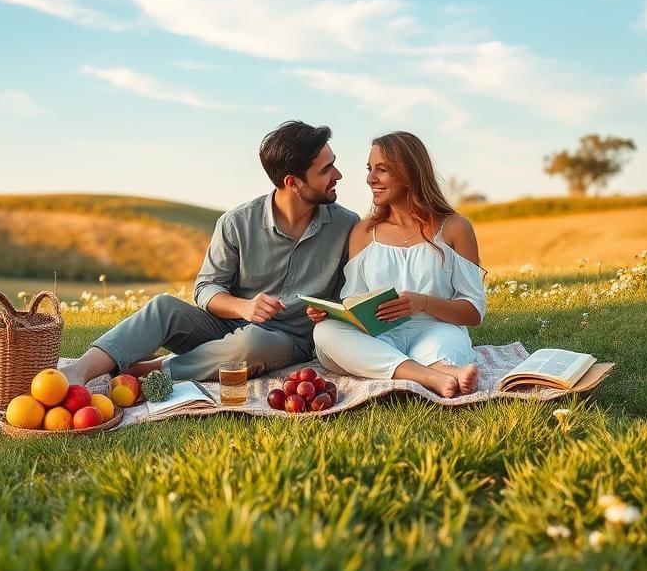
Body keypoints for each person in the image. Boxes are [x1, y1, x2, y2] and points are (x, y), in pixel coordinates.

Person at [61, 121, 359, 386]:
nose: (338, 174)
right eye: (325, 170)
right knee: (163, 306)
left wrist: (327, 310)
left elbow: (350, 296)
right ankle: (77, 372)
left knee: (252, 343)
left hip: (288, 341)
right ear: (292, 182)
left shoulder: (347, 225)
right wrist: (243, 307)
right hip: (225, 326)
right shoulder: (237, 222)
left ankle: (155, 370)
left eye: (333, 163)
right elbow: (206, 289)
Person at [308, 131, 485, 398]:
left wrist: (422, 303)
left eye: (382, 170)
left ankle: (436, 368)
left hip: (437, 331)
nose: (370, 178)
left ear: (410, 172)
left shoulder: (455, 227)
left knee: (443, 348)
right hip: (379, 337)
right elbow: (353, 299)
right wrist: (334, 313)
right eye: (370, 169)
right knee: (325, 332)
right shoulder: (364, 231)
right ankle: (432, 375)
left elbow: (473, 313)